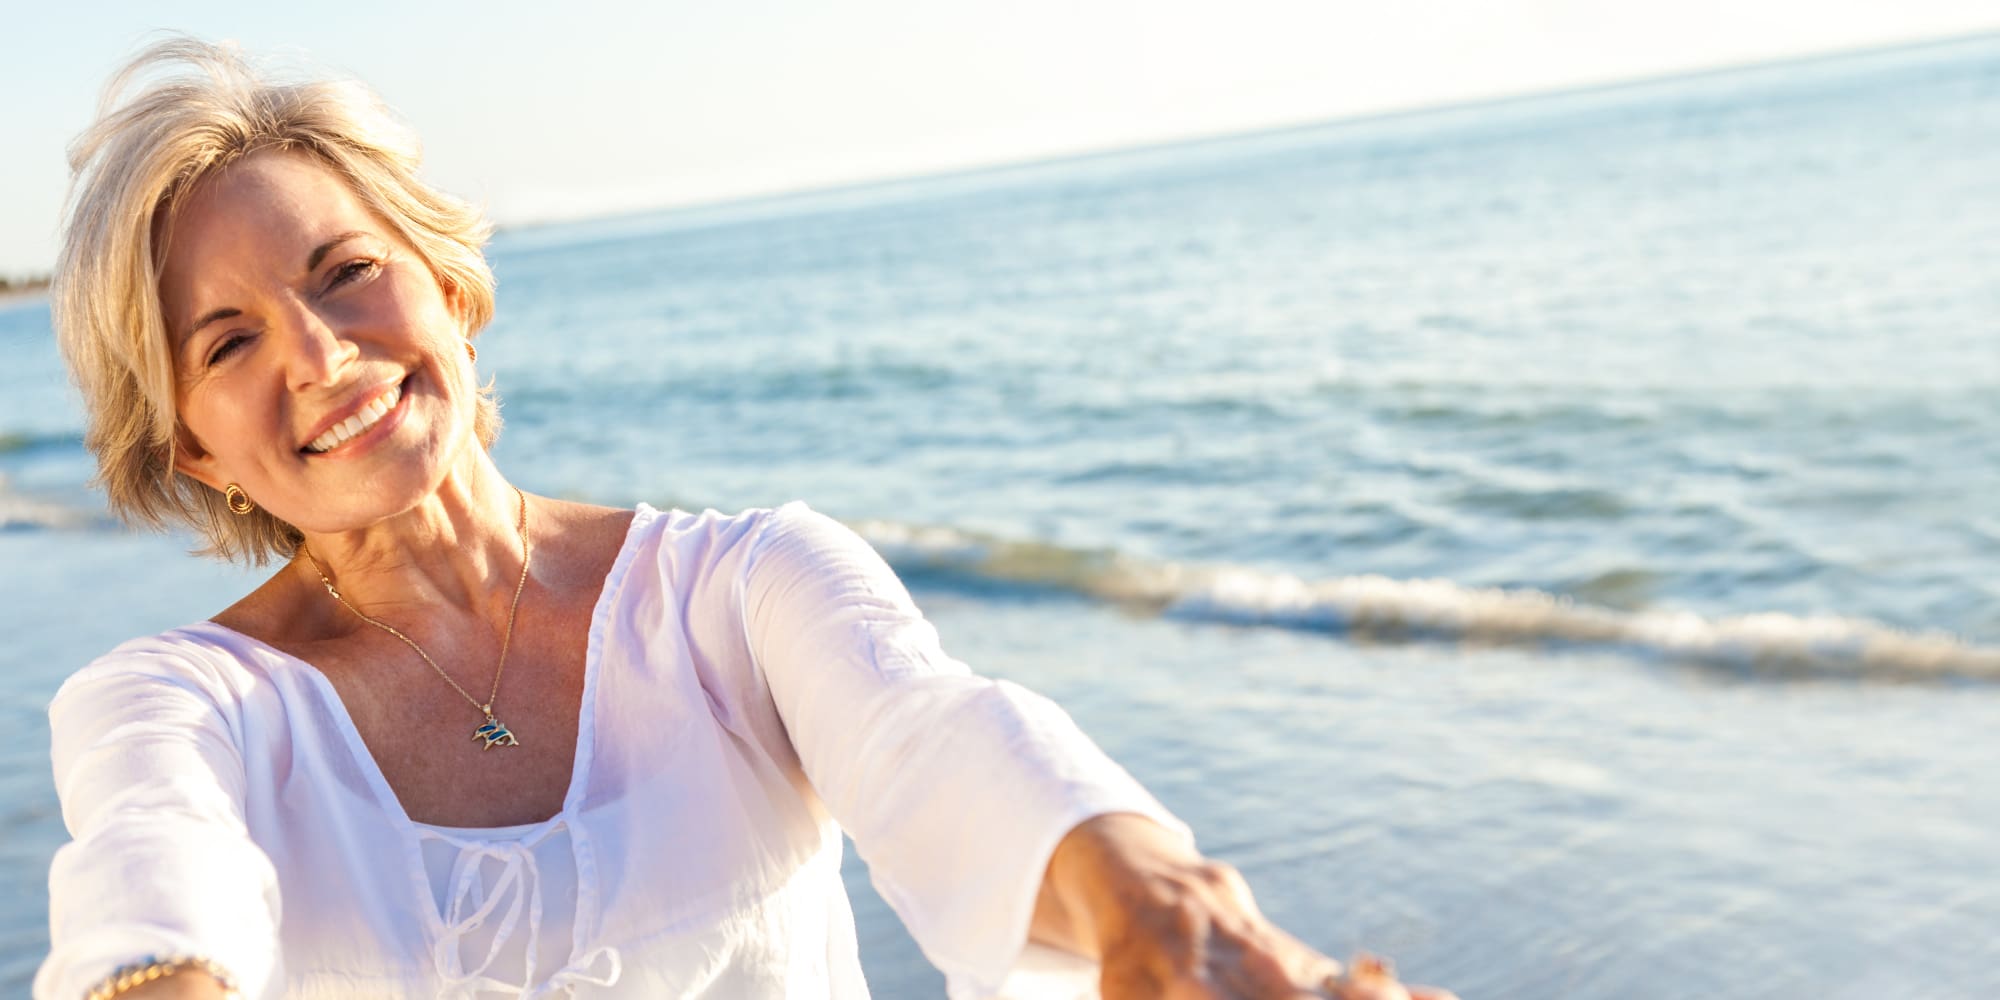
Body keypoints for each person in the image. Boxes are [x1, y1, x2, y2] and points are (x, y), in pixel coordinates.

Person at [35, 37, 1454, 1000]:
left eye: (346, 270)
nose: (319, 353)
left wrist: (1156, 910)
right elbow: (153, 892)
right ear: (195, 449)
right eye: (227, 341)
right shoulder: (179, 706)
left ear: (451, 288)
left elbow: (945, 747)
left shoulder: (743, 589)